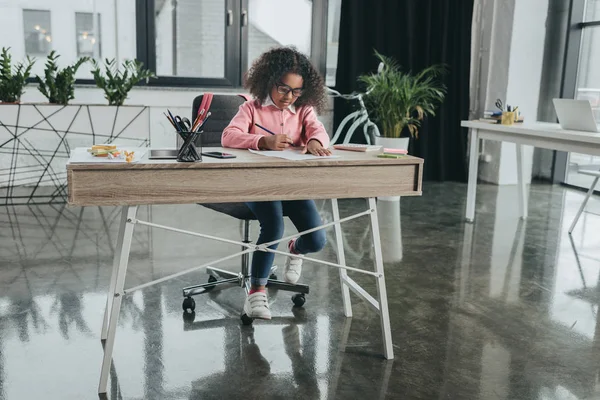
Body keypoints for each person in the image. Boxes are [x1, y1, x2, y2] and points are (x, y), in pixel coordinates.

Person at [221, 46, 330, 320]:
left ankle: (295, 249)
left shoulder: (303, 110)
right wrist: (262, 140)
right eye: (283, 89)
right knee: (274, 226)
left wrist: (315, 140)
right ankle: (256, 292)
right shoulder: (251, 108)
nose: (288, 97)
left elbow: (317, 129)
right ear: (269, 81)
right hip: (257, 184)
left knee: (316, 239)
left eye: (296, 91)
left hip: (291, 184)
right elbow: (228, 136)